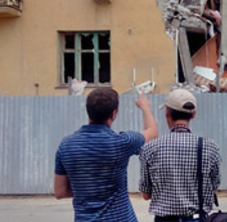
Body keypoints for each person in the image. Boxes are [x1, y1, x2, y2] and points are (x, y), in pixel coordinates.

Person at [54, 88, 158, 221]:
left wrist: (87, 190)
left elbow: (60, 192)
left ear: (88, 111)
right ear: (114, 114)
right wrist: (145, 106)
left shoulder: (66, 146)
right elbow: (153, 133)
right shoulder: (121, 143)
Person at [139, 89, 221, 222]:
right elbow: (215, 184)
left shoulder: (150, 148)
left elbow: (146, 194)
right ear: (193, 114)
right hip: (197, 218)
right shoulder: (210, 147)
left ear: (167, 113)